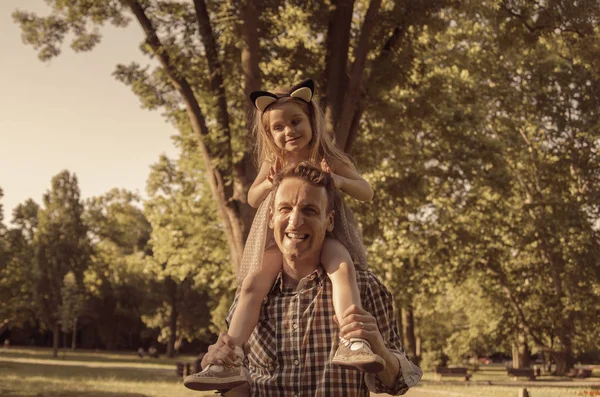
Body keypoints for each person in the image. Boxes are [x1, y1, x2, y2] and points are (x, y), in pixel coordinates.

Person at [185, 79, 382, 391]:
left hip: (324, 234)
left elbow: (367, 191)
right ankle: (227, 358)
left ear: (311, 121)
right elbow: (252, 197)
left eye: (295, 121)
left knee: (342, 269)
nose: (288, 131)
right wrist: (269, 183)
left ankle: (352, 340)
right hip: (282, 238)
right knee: (252, 284)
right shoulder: (273, 163)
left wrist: (341, 183)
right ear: (269, 134)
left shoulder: (328, 157)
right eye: (278, 127)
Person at [186, 162, 422, 395]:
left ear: (329, 220)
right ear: (270, 217)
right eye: (285, 209)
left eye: (309, 210)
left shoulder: (363, 288)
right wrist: (222, 371)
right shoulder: (250, 297)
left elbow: (397, 384)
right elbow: (242, 390)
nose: (295, 221)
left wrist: (380, 349)